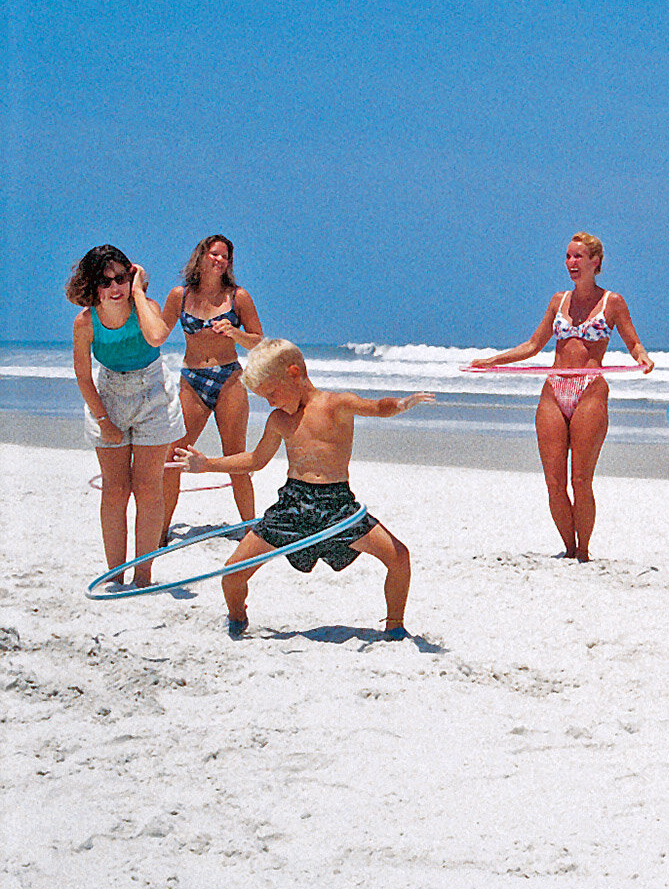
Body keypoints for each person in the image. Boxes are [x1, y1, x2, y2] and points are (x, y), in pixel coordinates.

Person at [169, 338, 432, 639]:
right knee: (231, 573)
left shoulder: (336, 405)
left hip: (338, 506)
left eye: (271, 393)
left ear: (293, 374)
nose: (269, 402)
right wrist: (207, 464)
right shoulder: (279, 419)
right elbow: (255, 460)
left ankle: (395, 625)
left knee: (399, 557)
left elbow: (375, 407)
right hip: (292, 505)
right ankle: (237, 617)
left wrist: (400, 405)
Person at [471, 233, 654, 562]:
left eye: (578, 257)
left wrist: (643, 358)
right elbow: (532, 345)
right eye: (568, 257)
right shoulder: (558, 300)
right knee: (554, 482)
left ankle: (583, 552)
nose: (571, 263)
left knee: (580, 479)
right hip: (554, 389)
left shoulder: (613, 302)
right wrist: (492, 360)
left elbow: (633, 344)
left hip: (590, 388)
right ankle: (569, 549)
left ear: (595, 262)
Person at [68, 246, 185, 587]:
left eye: (121, 278)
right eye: (106, 282)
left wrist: (139, 291)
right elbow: (82, 376)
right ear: (94, 286)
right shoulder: (86, 322)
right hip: (109, 396)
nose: (114, 287)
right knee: (116, 490)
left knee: (148, 488)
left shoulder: (144, 307)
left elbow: (157, 335)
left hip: (151, 391)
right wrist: (104, 420)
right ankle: (114, 574)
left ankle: (144, 576)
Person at [159, 234, 264, 532]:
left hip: (229, 378)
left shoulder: (238, 297)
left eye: (225, 256)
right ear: (201, 256)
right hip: (192, 380)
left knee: (236, 458)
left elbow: (258, 342)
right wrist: (137, 300)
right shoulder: (179, 295)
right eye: (214, 254)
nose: (220, 260)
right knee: (174, 457)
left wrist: (235, 333)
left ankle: (250, 530)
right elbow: (158, 333)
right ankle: (161, 532)